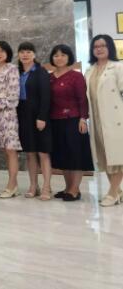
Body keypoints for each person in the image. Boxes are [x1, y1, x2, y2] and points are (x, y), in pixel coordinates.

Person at [49, 44, 93, 202]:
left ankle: (75, 189)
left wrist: (83, 118)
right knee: (63, 156)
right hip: (55, 121)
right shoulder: (50, 77)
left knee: (76, 155)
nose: (59, 58)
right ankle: (68, 187)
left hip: (73, 120)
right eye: (56, 55)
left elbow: (82, 99)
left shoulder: (76, 76)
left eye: (63, 55)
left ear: (69, 57)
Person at [85, 35, 123, 207]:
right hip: (97, 119)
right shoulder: (89, 70)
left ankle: (112, 193)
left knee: (118, 156)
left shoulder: (118, 67)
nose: (99, 49)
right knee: (105, 157)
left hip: (116, 119)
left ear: (110, 48)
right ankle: (118, 191)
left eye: (103, 45)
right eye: (96, 46)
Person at [16, 42, 53, 201]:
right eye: (22, 52)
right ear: (18, 55)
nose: (25, 55)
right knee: (30, 153)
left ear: (34, 54)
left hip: (38, 116)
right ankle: (33, 185)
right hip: (23, 116)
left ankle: (46, 186)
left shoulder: (40, 71)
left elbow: (46, 96)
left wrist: (42, 117)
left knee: (43, 152)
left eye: (28, 52)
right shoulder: (17, 72)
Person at [0, 41, 22, 199]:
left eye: (2, 51)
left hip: (8, 113)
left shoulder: (12, 68)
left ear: (7, 52)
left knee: (11, 150)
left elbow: (14, 94)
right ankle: (13, 185)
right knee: (5, 150)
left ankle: (11, 185)